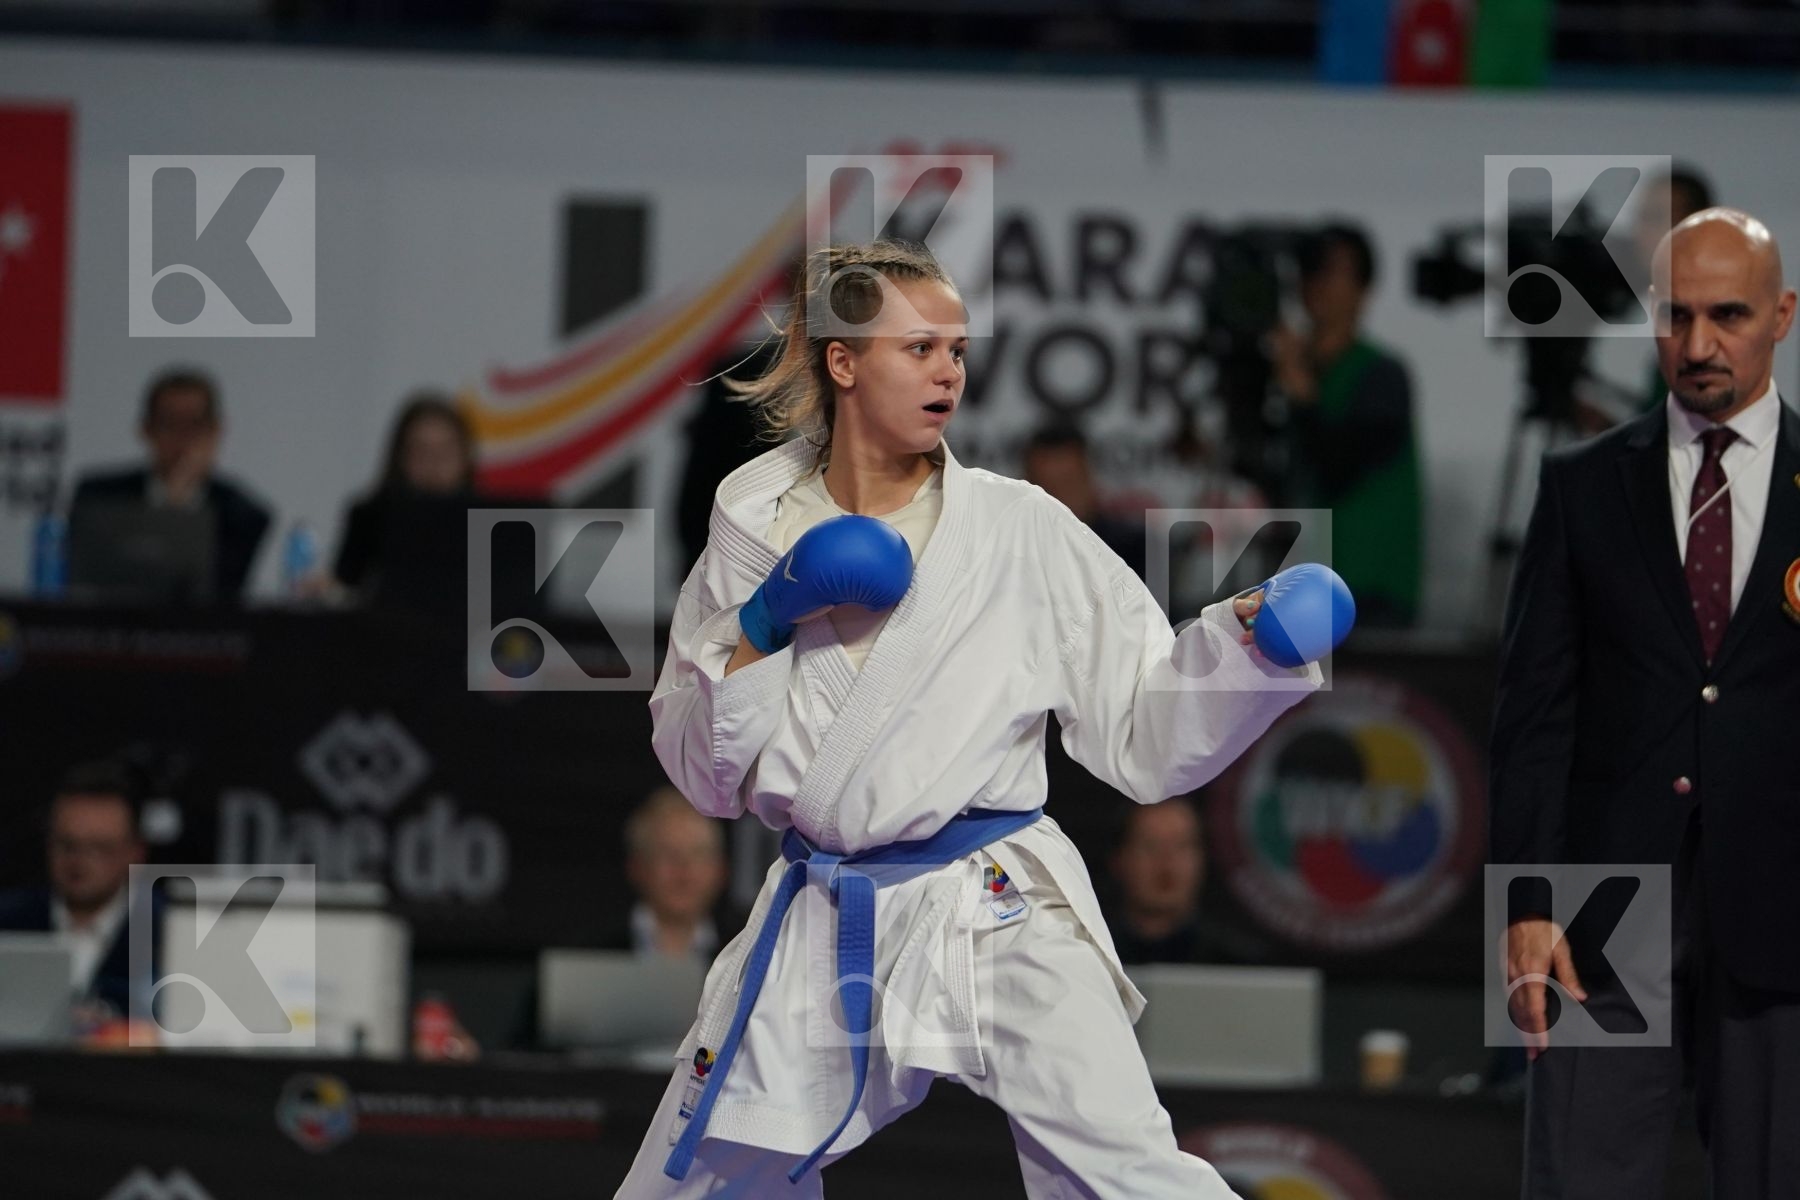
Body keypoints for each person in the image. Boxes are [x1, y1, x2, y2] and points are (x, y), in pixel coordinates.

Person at [615, 240, 1324, 1198]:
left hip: (996, 902)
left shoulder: (1018, 528)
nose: (949, 368)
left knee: (1128, 1168)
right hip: (829, 907)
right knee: (701, 1178)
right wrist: (759, 621)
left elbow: (1145, 733)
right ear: (844, 361)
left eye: (957, 348)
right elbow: (705, 774)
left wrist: (1247, 653)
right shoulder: (757, 522)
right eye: (920, 347)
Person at [1491, 208, 1798, 1198]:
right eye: (1676, 317)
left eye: (1729, 315)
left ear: (1784, 315)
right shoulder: (1582, 485)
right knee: (1580, 1178)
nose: (1698, 345)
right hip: (1600, 900)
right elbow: (1534, 714)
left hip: (1786, 900)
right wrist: (1527, 906)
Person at [1270, 222, 1423, 629]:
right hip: (1297, 590)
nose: (1318, 283)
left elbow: (1339, 468)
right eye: (1310, 269)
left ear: (1364, 287)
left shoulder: (1382, 374)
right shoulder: (1291, 372)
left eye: (1333, 270)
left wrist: (1301, 393)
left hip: (1367, 592)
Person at [69, 367, 272, 600]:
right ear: (146, 430)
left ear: (216, 432)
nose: (182, 438)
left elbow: (221, 595)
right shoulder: (98, 497)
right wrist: (169, 507)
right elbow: (102, 582)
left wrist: (180, 506)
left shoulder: (244, 515)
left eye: (194, 425)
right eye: (169, 423)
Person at [0, 762, 150, 1024]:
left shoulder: (170, 934)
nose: (79, 861)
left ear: (135, 853)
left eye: (99, 848)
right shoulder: (8, 922)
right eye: (67, 845)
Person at [331, 392, 480, 614]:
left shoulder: (491, 524)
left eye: (445, 452)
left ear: (464, 458)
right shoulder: (370, 517)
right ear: (400, 456)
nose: (434, 464)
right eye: (421, 451)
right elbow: (346, 589)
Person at [1106, 795, 1264, 966]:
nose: (1167, 864)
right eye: (1150, 846)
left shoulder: (1239, 965)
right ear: (1119, 860)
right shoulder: (1091, 955)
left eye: (1182, 846)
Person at [606, 787, 745, 961]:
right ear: (637, 867)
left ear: (721, 869)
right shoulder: (589, 954)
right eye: (668, 854)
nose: (684, 871)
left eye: (698, 854)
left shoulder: (745, 954)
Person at [1020, 422, 1148, 579]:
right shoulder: (1006, 555)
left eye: (1068, 484)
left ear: (1090, 479)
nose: (1057, 500)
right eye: (1046, 488)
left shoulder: (1132, 552)